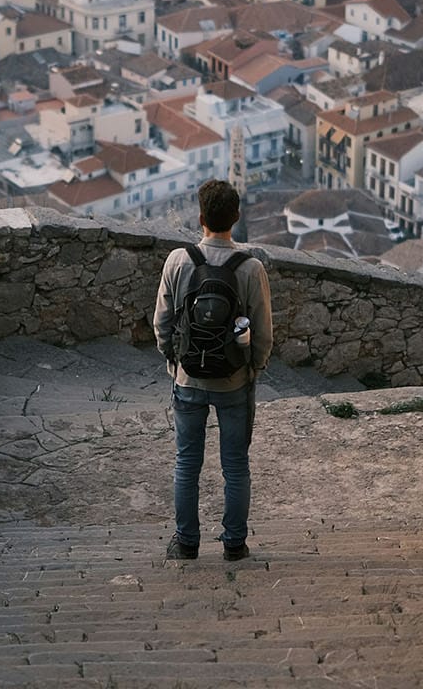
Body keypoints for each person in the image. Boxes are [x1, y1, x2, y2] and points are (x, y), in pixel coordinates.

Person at [153, 179, 273, 561]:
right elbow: (263, 334)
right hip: (234, 381)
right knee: (235, 465)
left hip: (187, 378)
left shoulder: (178, 261)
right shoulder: (251, 268)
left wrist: (173, 360)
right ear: (236, 217)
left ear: (200, 217)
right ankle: (234, 544)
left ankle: (186, 542)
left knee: (186, 464)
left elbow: (162, 323)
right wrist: (253, 369)